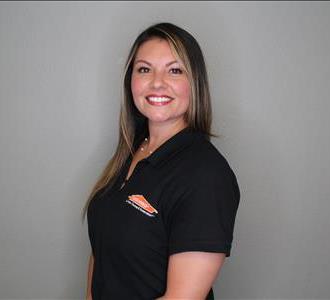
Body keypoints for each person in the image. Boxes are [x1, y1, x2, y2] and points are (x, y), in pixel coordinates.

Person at [83, 22, 240, 300]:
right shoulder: (131, 153)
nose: (157, 82)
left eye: (175, 70)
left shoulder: (206, 174)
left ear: (195, 83)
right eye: (144, 69)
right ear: (130, 79)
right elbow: (102, 253)